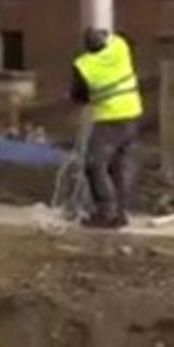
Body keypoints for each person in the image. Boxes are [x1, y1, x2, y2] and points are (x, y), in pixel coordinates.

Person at [70, 26, 142, 229]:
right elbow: (119, 36)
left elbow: (79, 95)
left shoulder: (85, 65)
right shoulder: (121, 48)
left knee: (93, 164)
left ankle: (105, 212)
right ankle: (120, 213)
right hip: (132, 115)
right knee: (118, 166)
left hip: (110, 119)